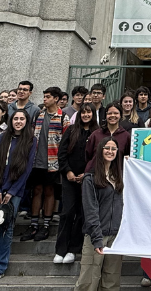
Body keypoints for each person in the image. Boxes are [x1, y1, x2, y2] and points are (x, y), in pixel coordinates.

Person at [0, 110, 37, 281]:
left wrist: (11, 192)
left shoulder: (31, 141)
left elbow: (26, 170)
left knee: (6, 228)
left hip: (14, 191)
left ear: (27, 121)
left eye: (22, 119)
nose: (18, 121)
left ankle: (0, 266)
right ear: (11, 120)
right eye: (16, 119)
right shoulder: (1, 138)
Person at [75, 137, 124, 291]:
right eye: (107, 148)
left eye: (114, 149)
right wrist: (97, 239)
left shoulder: (120, 177)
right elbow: (90, 210)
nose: (110, 151)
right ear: (100, 150)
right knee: (88, 281)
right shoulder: (90, 178)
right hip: (96, 236)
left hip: (115, 237)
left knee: (111, 281)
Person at [21, 86, 66, 242]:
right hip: (36, 161)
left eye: (48, 97)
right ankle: (34, 224)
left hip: (53, 161)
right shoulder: (39, 115)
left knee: (49, 191)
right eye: (44, 96)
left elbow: (66, 141)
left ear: (56, 99)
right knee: (37, 190)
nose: (45, 99)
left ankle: (46, 225)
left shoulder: (63, 117)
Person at [58, 104, 98, 267]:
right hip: (69, 178)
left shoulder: (97, 132)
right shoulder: (71, 130)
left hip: (88, 180)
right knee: (67, 213)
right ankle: (60, 250)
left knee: (82, 214)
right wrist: (67, 171)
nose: (86, 114)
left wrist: (87, 175)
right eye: (84, 112)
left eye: (89, 112)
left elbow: (97, 157)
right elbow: (61, 153)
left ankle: (73, 249)